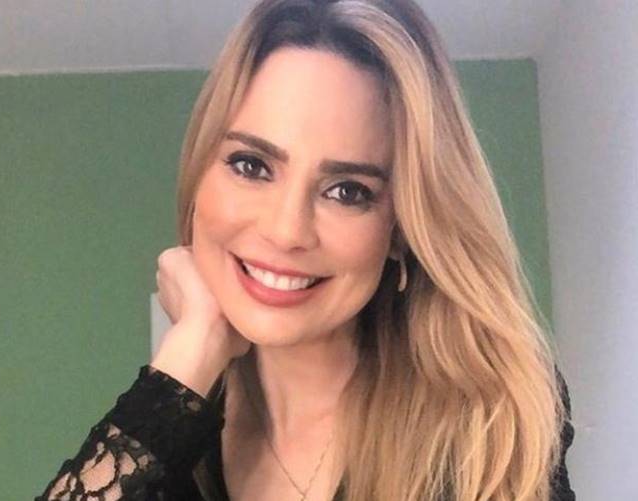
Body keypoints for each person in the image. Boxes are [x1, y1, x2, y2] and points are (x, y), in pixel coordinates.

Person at [36, 0, 575, 499]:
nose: (286, 231)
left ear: (400, 229)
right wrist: (191, 349)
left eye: (348, 191)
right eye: (251, 165)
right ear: (199, 174)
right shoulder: (168, 431)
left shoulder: (488, 425)